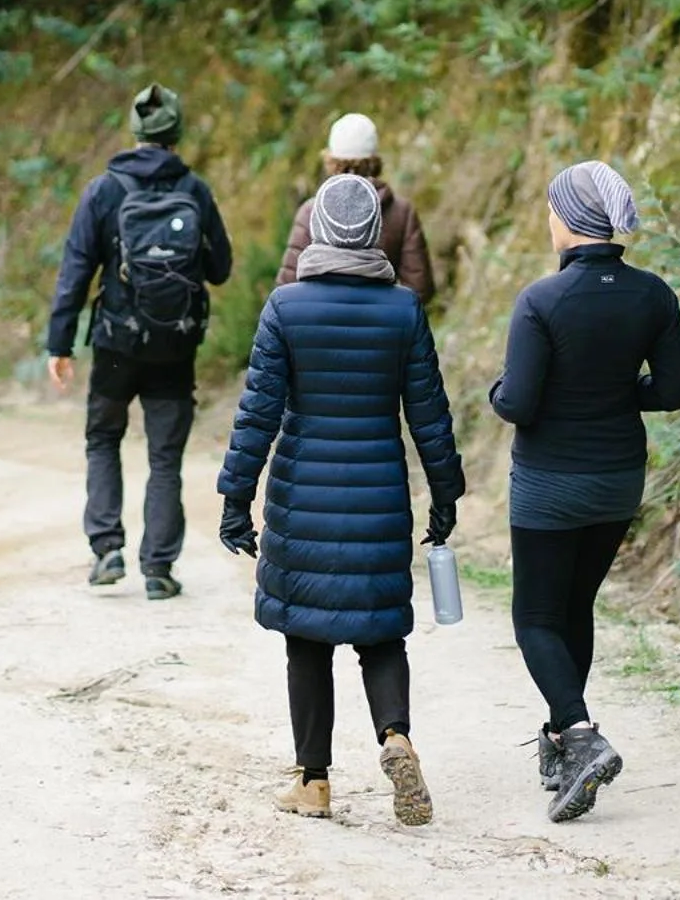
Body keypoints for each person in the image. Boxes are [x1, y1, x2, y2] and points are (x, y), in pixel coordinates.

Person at [217, 174, 465, 826]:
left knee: (308, 637)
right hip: (380, 493)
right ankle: (395, 736)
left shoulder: (286, 307)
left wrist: (235, 497)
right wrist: (446, 494)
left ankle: (315, 780)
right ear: (372, 233)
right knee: (380, 632)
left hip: (303, 498)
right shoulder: (403, 308)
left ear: (322, 229)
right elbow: (430, 416)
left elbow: (257, 416)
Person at [488, 160, 680, 823]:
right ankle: (561, 741)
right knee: (575, 605)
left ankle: (579, 734)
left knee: (535, 618)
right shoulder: (653, 295)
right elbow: (673, 390)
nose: (548, 219)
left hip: (550, 480)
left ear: (571, 220)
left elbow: (518, 401)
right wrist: (613, 392)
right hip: (617, 480)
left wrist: (498, 392)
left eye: (552, 209)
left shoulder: (542, 301)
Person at [46, 83, 233, 600]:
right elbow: (221, 269)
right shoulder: (194, 191)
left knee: (103, 439)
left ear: (135, 131)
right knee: (164, 459)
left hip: (114, 346)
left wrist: (59, 345)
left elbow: (75, 272)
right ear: (176, 133)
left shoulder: (103, 191)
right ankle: (159, 569)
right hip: (174, 349)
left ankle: (107, 549)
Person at [275, 112, 435, 303]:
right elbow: (420, 289)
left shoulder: (311, 211)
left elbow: (287, 289)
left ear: (331, 160)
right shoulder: (402, 211)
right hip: (381, 328)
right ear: (374, 160)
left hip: (322, 326)